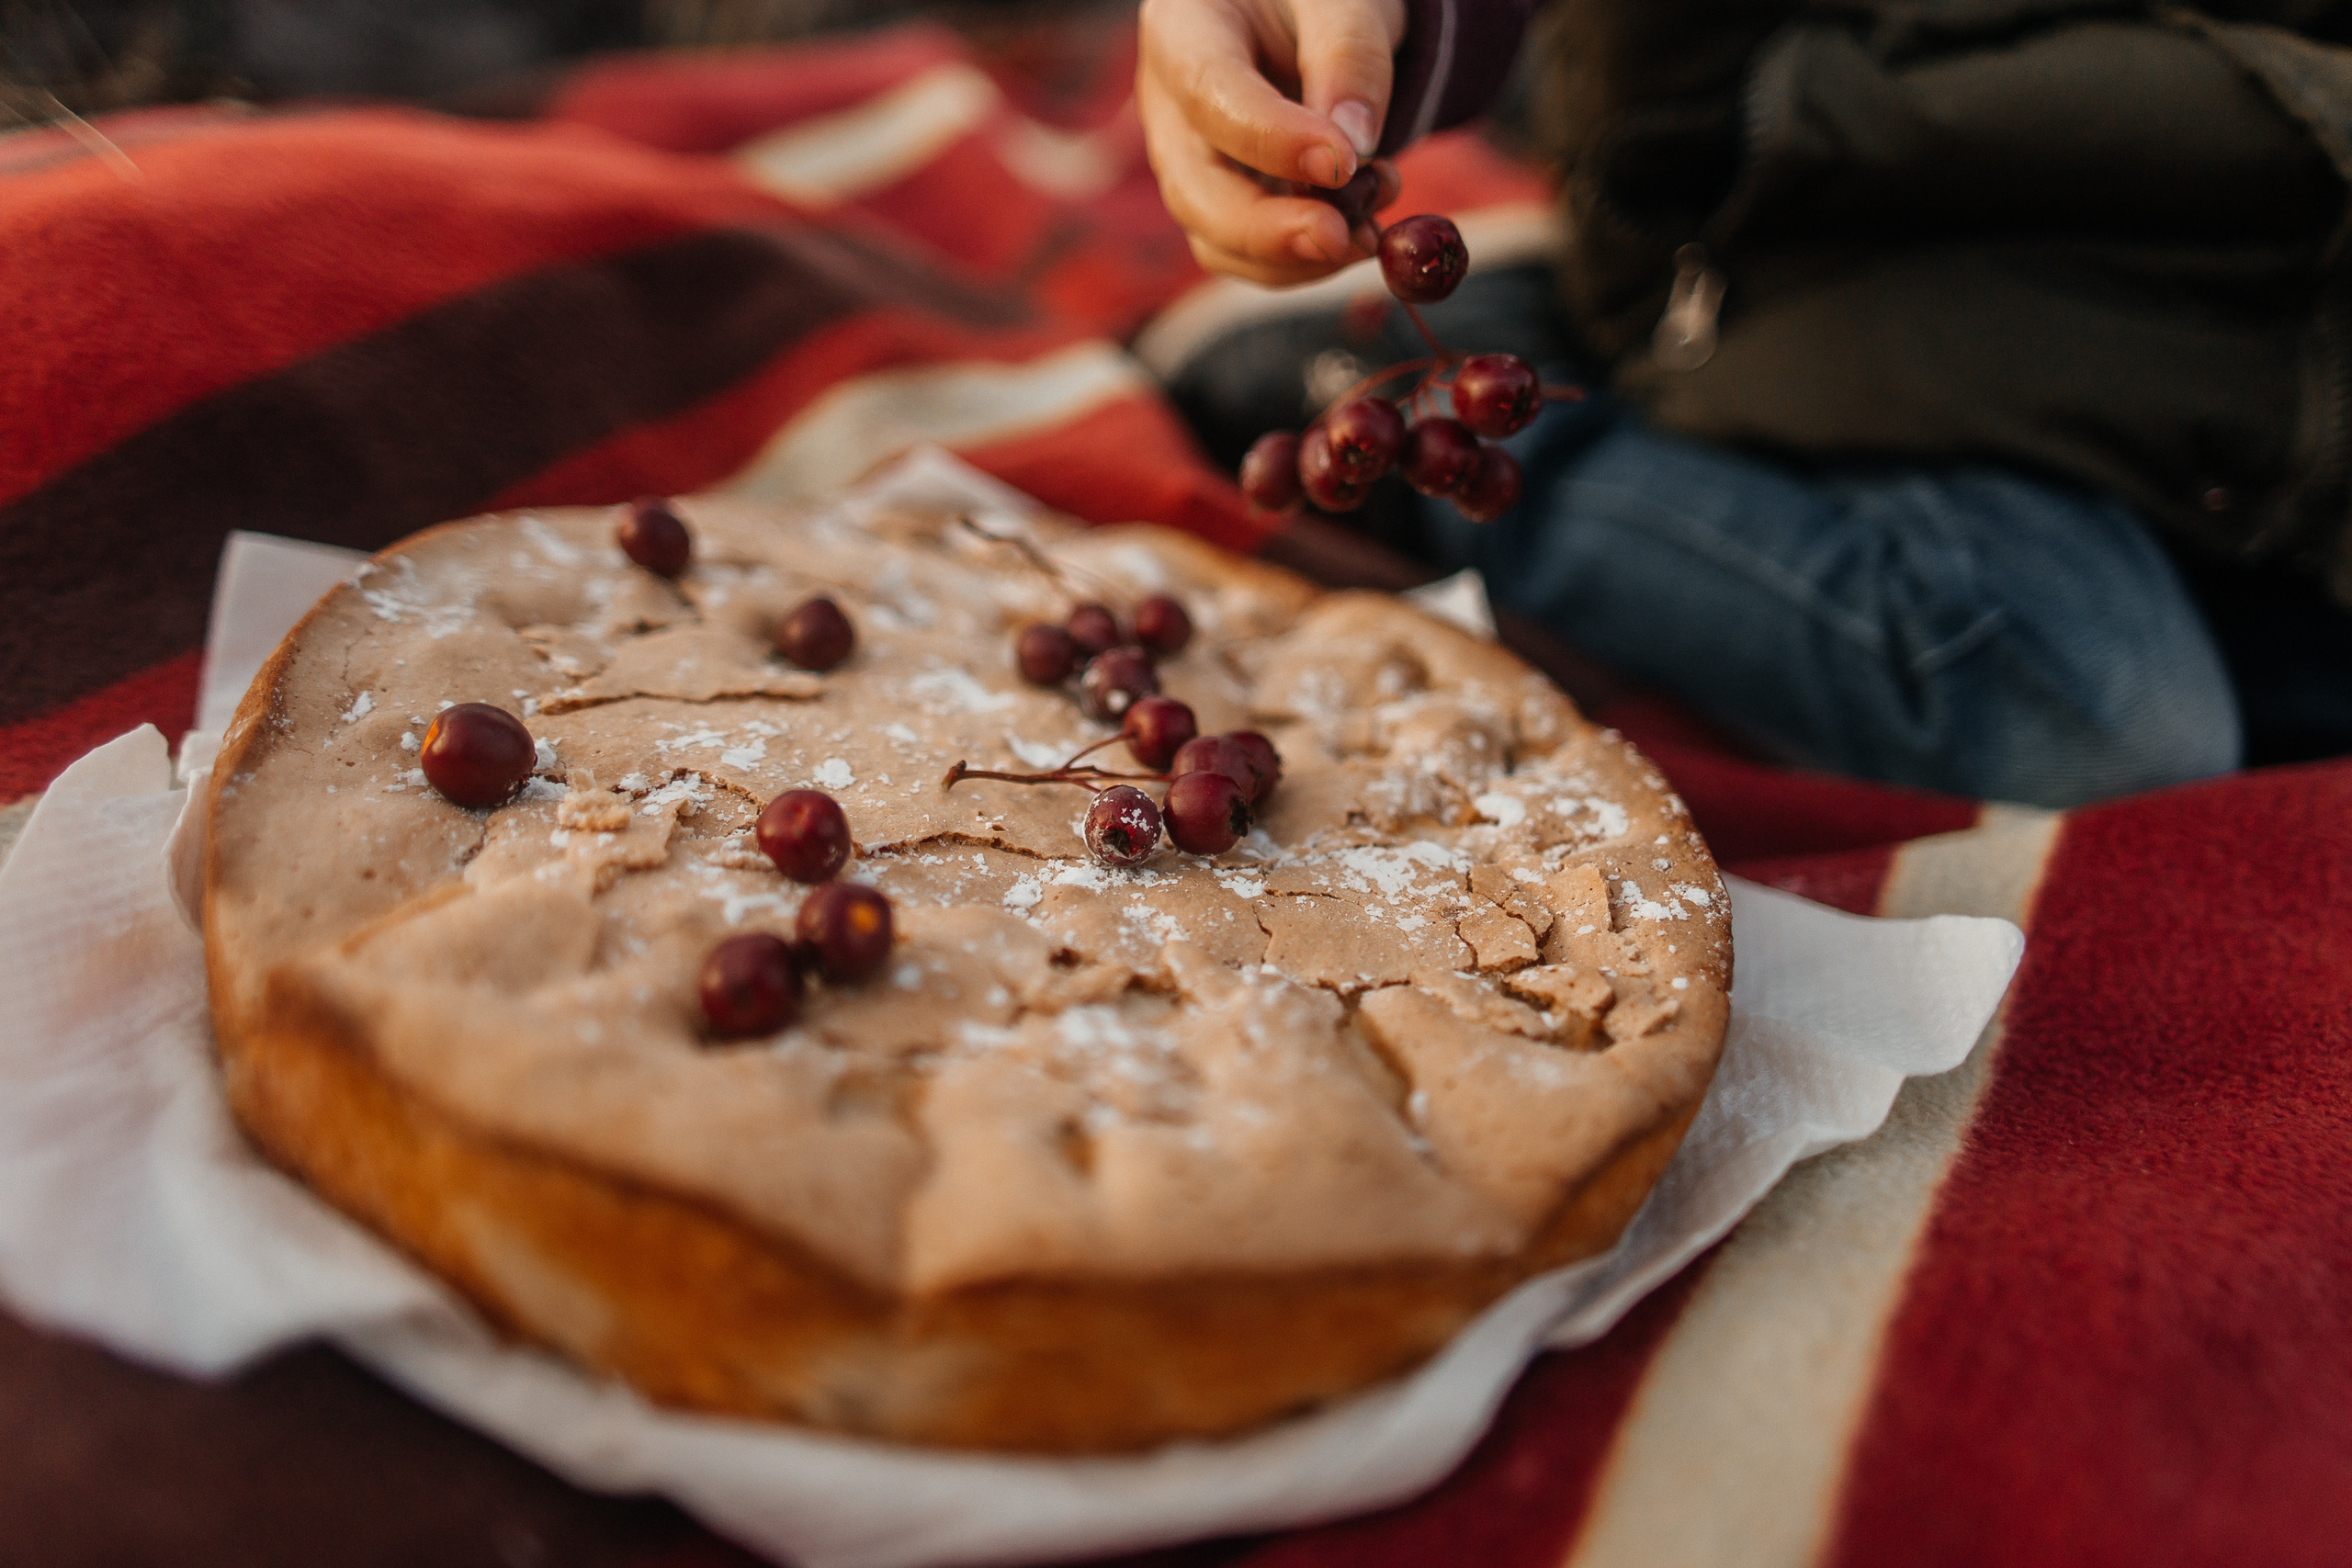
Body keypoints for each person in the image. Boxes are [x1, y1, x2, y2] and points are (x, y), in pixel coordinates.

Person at [1136, 0, 2352, 807]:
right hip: (1842, 250)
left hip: (2252, 418)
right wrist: (1401, 26)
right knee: (2110, 725)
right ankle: (1444, 416)